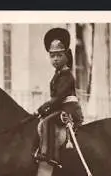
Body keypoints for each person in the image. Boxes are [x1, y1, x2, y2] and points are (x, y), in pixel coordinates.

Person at [35, 27, 84, 167]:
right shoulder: (58, 74)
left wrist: (41, 109)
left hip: (70, 109)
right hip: (62, 107)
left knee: (47, 122)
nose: (55, 59)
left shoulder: (67, 75)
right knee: (44, 120)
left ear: (66, 56)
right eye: (52, 56)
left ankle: (50, 156)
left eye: (59, 55)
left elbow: (58, 98)